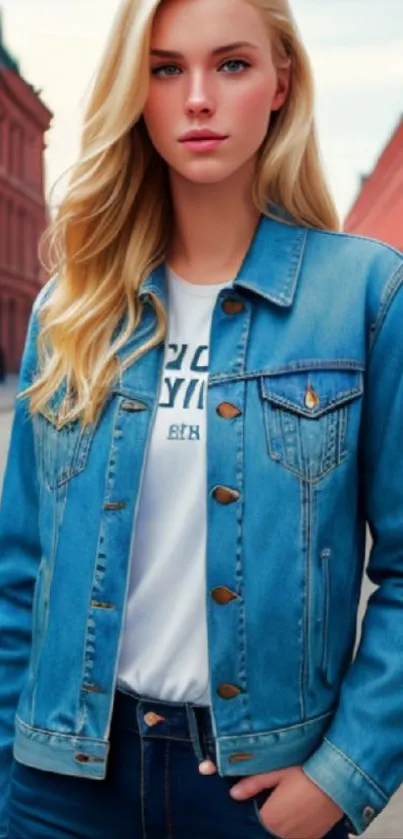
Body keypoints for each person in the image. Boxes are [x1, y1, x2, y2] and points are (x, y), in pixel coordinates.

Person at [0, 0, 402, 836]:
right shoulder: (72, 311)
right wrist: (9, 761)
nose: (196, 99)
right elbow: (21, 570)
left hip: (259, 793)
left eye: (231, 64)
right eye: (164, 68)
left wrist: (341, 774)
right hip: (60, 785)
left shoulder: (365, 296)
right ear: (133, 94)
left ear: (280, 84)